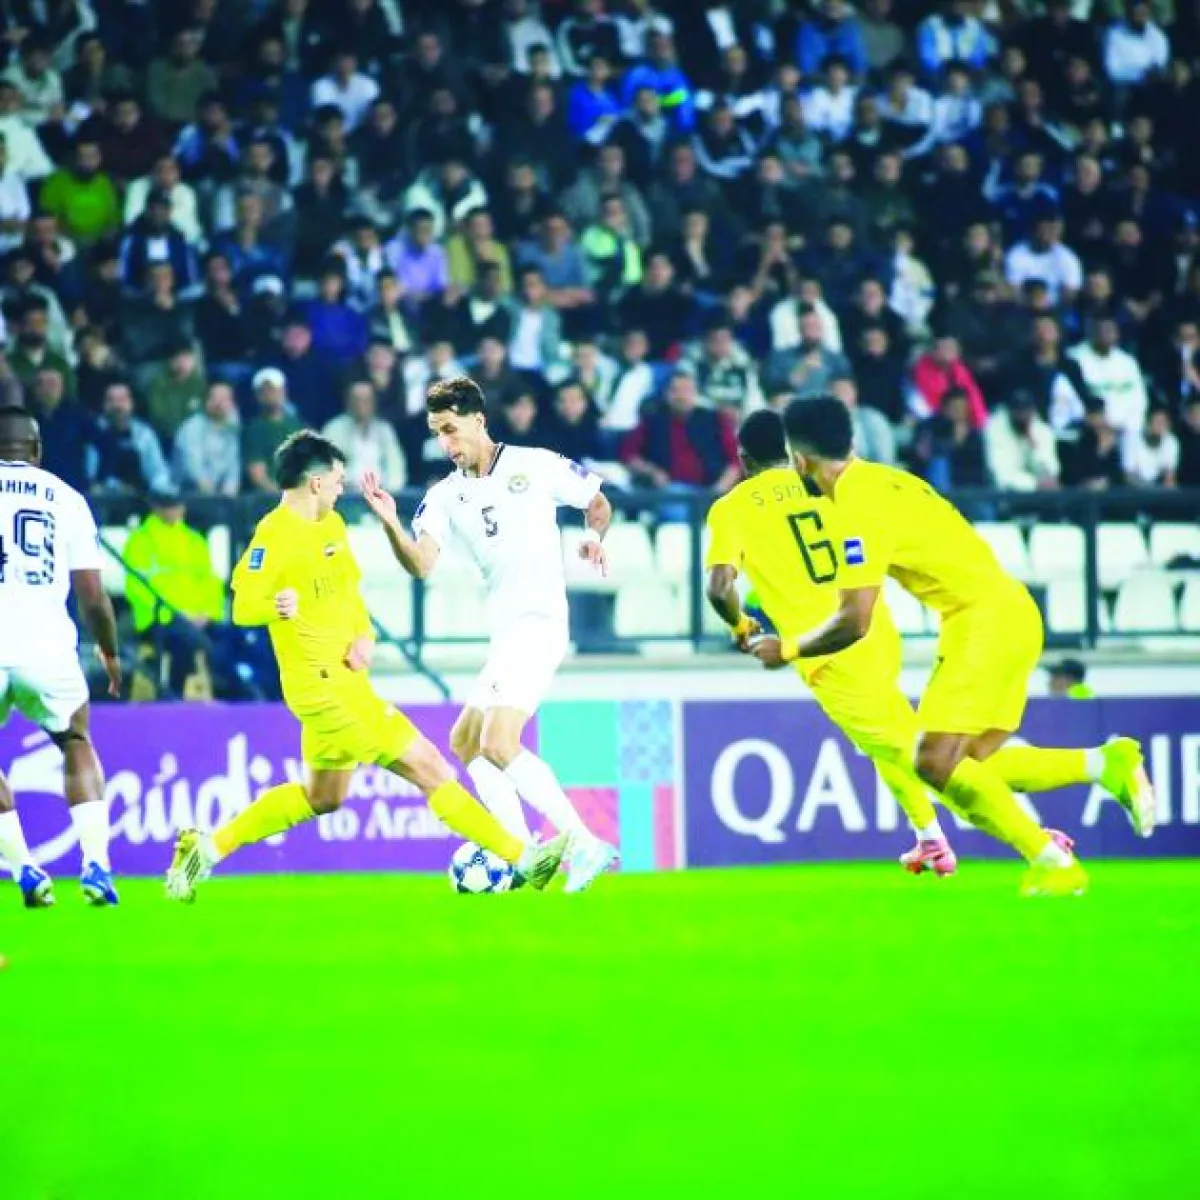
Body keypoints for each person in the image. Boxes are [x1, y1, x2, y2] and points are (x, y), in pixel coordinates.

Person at [768, 394, 1157, 895]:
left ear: (800, 460)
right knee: (971, 767)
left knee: (931, 761)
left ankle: (1051, 864)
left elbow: (855, 620)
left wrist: (790, 648)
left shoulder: (855, 506)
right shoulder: (893, 480)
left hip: (982, 622)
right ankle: (1104, 764)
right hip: (1009, 611)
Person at [166, 431, 569, 901]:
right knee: (431, 768)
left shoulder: (332, 527)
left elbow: (350, 593)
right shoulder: (273, 535)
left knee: (323, 797)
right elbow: (241, 607)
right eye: (337, 480)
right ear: (314, 483)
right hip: (323, 689)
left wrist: (366, 637)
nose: (342, 489)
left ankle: (205, 850)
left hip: (344, 681)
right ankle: (524, 857)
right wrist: (275, 605)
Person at [358, 376, 618, 893]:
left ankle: (585, 844)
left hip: (540, 620)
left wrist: (592, 538)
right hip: (506, 633)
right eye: (436, 433)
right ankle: (527, 853)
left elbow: (598, 501)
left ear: (478, 419)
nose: (445, 443)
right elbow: (421, 563)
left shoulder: (536, 463)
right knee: (465, 741)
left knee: (498, 743)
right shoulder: (444, 495)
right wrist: (390, 523)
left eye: (450, 429)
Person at [705, 409, 962, 876]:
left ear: (743, 459)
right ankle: (930, 837)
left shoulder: (732, 509)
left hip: (825, 650)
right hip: (871, 625)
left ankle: (1019, 821)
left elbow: (719, 587)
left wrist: (741, 627)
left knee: (908, 747)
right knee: (883, 742)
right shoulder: (827, 486)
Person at [0, 406, 121, 908]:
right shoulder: (66, 499)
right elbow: (92, 594)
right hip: (47, 645)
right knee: (75, 739)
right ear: (37, 450)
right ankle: (96, 867)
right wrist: (110, 652)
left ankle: (25, 868)